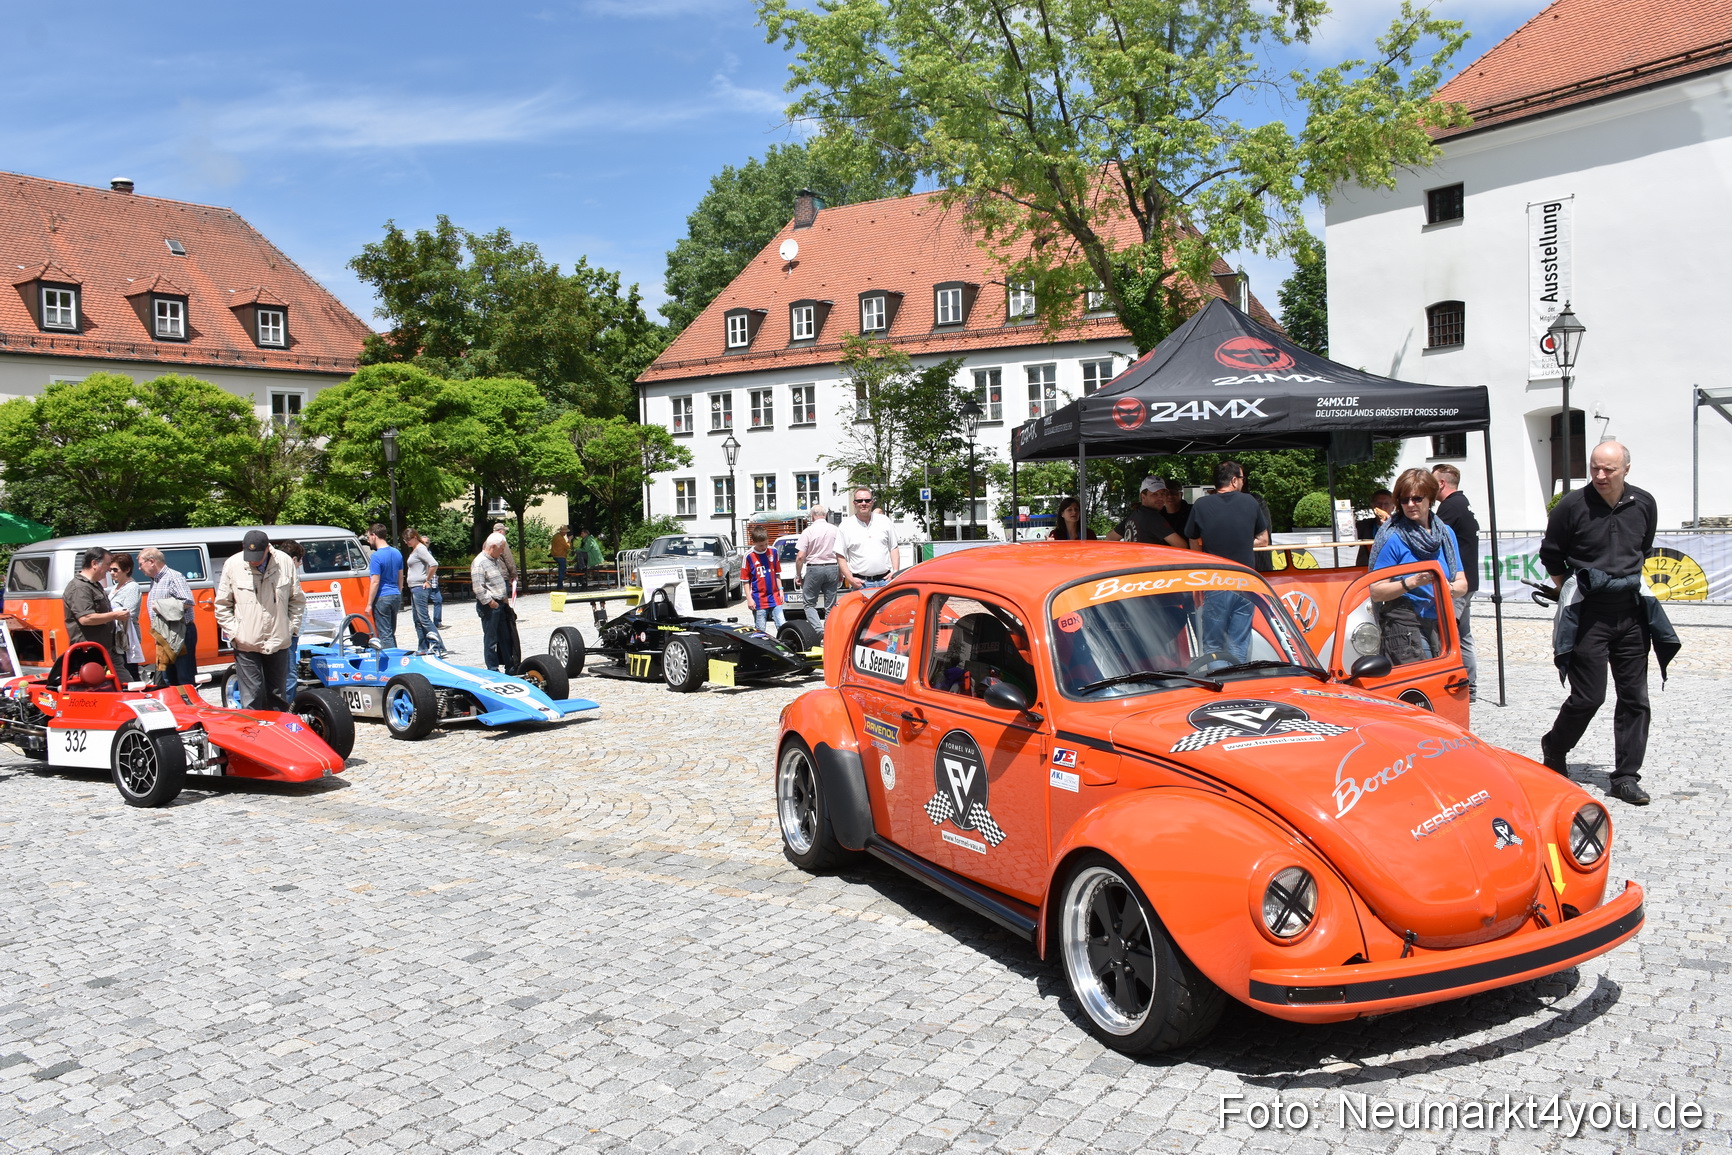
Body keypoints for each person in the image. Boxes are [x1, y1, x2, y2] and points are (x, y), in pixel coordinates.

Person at [1538, 441, 1676, 807]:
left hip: (1631, 614)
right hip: (1589, 615)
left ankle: (1626, 777)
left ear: (1626, 469)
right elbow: (1551, 553)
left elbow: (1642, 548)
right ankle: (1555, 747)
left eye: (1608, 470)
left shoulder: (1643, 503)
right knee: (1588, 697)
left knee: (1635, 698)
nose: (1600, 475)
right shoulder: (1571, 506)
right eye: (1595, 468)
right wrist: (1569, 587)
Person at [1366, 468, 1468, 667]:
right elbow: (1376, 591)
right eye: (1404, 500)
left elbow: (1463, 583)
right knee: (1423, 680)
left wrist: (1449, 589)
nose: (1410, 504)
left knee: (1445, 678)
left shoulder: (1445, 534)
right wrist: (1411, 582)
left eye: (1417, 499)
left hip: (1441, 619)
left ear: (1430, 498)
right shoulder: (1392, 537)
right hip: (1404, 623)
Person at [1184, 461, 1272, 659]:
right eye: (1242, 479)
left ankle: (1220, 686)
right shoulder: (1250, 502)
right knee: (1239, 644)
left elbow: (1191, 538)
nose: (1242, 482)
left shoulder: (1201, 504)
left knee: (1213, 646)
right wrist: (1241, 543)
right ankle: (1237, 685)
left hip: (1215, 581)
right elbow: (1263, 540)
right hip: (1245, 581)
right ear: (1234, 480)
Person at [213, 530, 305, 712]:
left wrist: (291, 628)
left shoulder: (285, 562)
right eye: (249, 555)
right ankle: (254, 736)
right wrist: (235, 633)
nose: (253, 560)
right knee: (251, 697)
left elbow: (297, 600)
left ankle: (278, 736)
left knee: (278, 696)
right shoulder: (233, 564)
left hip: (279, 640)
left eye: (257, 556)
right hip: (246, 642)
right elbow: (222, 605)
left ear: (268, 549)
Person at [1432, 465, 1482, 700]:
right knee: (1463, 635)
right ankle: (1469, 685)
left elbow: (1431, 536)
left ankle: (1461, 686)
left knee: (1449, 634)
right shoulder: (1463, 503)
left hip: (1457, 583)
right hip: (1468, 580)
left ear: (1441, 483)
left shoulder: (1450, 506)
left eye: (1432, 483)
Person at [139, 547, 197, 686]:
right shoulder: (155, 580)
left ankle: (189, 706)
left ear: (151, 561)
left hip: (180, 633)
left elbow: (188, 601)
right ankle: (176, 707)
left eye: (141, 564)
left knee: (184, 677)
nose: (140, 568)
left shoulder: (173, 577)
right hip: (166, 634)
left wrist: (160, 606)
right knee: (169, 679)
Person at [63, 547, 127, 668]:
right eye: (108, 564)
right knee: (94, 686)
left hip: (106, 649)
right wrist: (115, 615)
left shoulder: (94, 584)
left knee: (124, 683)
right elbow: (86, 618)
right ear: (94, 563)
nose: (109, 569)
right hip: (90, 652)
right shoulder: (80, 587)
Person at [838, 487, 899, 589]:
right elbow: (840, 555)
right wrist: (850, 578)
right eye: (859, 501)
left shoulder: (884, 521)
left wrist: (896, 571)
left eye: (867, 500)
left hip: (885, 581)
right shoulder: (845, 526)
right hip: (861, 583)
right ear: (854, 503)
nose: (863, 503)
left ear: (872, 502)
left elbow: (894, 547)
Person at [794, 506, 841, 630]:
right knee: (830, 605)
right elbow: (841, 553)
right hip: (832, 567)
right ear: (825, 515)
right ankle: (830, 631)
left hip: (814, 568)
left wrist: (798, 575)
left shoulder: (808, 531)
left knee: (809, 603)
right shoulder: (835, 530)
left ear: (812, 516)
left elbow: (800, 556)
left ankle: (818, 630)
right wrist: (841, 572)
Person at [1105, 477, 1186, 547]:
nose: (1160, 498)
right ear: (1143, 497)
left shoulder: (1134, 514)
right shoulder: (1153, 517)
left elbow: (1110, 537)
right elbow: (1182, 546)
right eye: (1155, 494)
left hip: (1136, 562)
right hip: (1151, 562)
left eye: (1163, 494)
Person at [472, 533, 512, 671]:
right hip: (490, 606)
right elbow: (478, 587)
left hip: (500, 603)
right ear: (493, 547)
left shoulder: (494, 560)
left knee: (505, 637)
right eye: (501, 549)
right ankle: (493, 668)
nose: (502, 552)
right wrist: (491, 602)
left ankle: (510, 666)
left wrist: (505, 599)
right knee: (491, 639)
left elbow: (499, 580)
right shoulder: (480, 562)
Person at [106, 553, 145, 684]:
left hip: (127, 637)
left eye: (115, 570)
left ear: (126, 569)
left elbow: (130, 612)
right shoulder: (115, 587)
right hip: (116, 636)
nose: (111, 573)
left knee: (130, 672)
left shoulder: (132, 587)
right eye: (110, 569)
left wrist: (112, 613)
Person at [403, 528, 443, 656]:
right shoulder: (416, 549)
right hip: (415, 587)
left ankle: (438, 646)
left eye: (408, 539)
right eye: (405, 540)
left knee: (424, 618)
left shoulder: (420, 549)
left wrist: (427, 580)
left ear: (415, 537)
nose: (406, 542)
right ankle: (423, 647)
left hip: (420, 587)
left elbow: (434, 564)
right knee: (417, 619)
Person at [276, 540, 305, 705]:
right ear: (294, 559)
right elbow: (294, 604)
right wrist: (293, 629)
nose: (300, 565)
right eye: (300, 560)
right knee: (289, 675)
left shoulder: (274, 573)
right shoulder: (287, 576)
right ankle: (288, 711)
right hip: (286, 633)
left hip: (285, 631)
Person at [365, 523, 404, 650]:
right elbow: (400, 576)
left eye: (368, 537)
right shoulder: (397, 552)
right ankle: (396, 656)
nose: (368, 540)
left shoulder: (376, 556)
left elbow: (375, 581)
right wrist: (398, 591)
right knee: (391, 632)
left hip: (382, 596)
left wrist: (369, 603)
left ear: (374, 535)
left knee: (385, 634)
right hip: (395, 595)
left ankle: (392, 662)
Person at [742, 526, 787, 632]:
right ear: (754, 542)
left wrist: (781, 590)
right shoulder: (748, 556)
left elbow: (777, 573)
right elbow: (745, 580)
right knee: (760, 629)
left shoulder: (773, 551)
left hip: (775, 597)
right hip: (759, 599)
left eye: (766, 544)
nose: (764, 547)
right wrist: (749, 598)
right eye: (761, 545)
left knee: (782, 624)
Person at [1355, 490, 1397, 567]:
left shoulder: (1399, 525)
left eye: (1386, 504)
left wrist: (1388, 526)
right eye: (1379, 504)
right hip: (1366, 566)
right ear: (1373, 506)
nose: (1382, 507)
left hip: (1392, 566)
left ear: (1393, 507)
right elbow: (1351, 543)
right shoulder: (1363, 525)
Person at [550, 525, 571, 591]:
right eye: (565, 532)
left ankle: (560, 586)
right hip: (561, 556)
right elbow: (567, 546)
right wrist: (569, 540)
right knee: (562, 572)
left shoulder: (555, 536)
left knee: (561, 571)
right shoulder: (560, 538)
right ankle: (560, 587)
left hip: (555, 555)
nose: (565, 533)